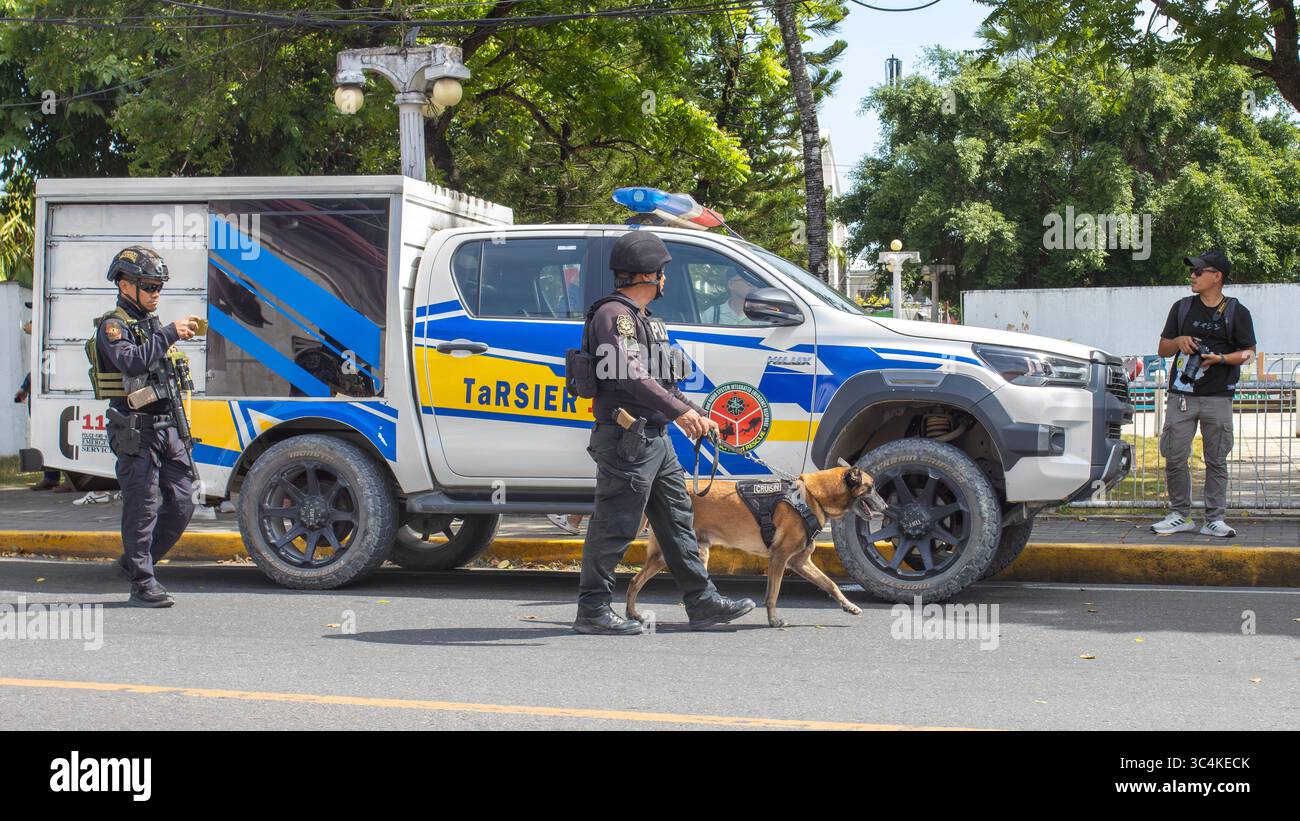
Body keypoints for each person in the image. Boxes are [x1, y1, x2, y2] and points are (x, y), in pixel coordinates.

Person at [574, 231, 754, 635]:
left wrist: (695, 414)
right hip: (626, 440)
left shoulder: (646, 322)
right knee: (615, 525)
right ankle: (592, 611)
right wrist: (679, 414)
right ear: (648, 275)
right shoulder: (613, 317)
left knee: (677, 520)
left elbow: (663, 383)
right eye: (663, 272)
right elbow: (631, 375)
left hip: (654, 439)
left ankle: (702, 601)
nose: (665, 279)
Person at [91, 245, 201, 607]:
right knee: (143, 507)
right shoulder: (114, 325)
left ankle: (134, 563)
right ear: (125, 285)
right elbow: (132, 363)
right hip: (135, 431)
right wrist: (170, 332)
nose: (156, 293)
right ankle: (142, 583)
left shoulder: (149, 325)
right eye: (150, 286)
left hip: (167, 427)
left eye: (159, 287)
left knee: (184, 499)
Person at [1152, 249, 1256, 538]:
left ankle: (1214, 519)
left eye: (1199, 271)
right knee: (1174, 455)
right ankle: (1179, 514)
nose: (1192, 276)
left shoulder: (1237, 311)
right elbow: (1162, 349)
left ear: (1217, 277)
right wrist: (1179, 341)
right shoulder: (1182, 307)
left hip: (1219, 396)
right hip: (1181, 395)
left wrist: (1221, 359)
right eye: (1192, 272)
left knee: (1216, 459)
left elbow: (1249, 354)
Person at [14, 310, 70, 491]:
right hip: (40, 388)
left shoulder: (57, 333)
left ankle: (69, 479)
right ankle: (51, 476)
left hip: (59, 389)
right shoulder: (43, 340)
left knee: (63, 435)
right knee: (45, 436)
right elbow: (37, 370)